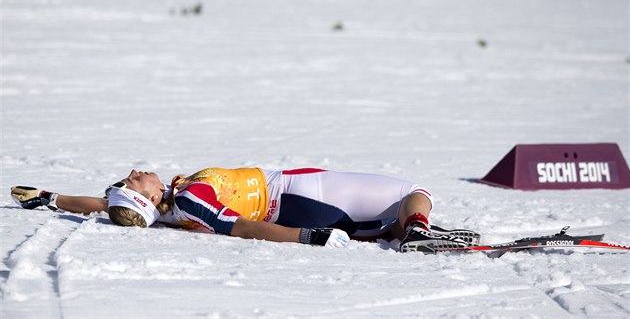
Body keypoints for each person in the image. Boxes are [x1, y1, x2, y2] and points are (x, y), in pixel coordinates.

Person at [10, 167, 479, 252]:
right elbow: (243, 229)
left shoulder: (170, 207)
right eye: (134, 180)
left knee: (379, 222)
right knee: (414, 191)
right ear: (147, 197)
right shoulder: (191, 201)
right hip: (297, 196)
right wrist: (305, 237)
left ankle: (412, 232)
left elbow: (112, 207)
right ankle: (416, 228)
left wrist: (54, 199)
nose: (136, 171)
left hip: (300, 199)